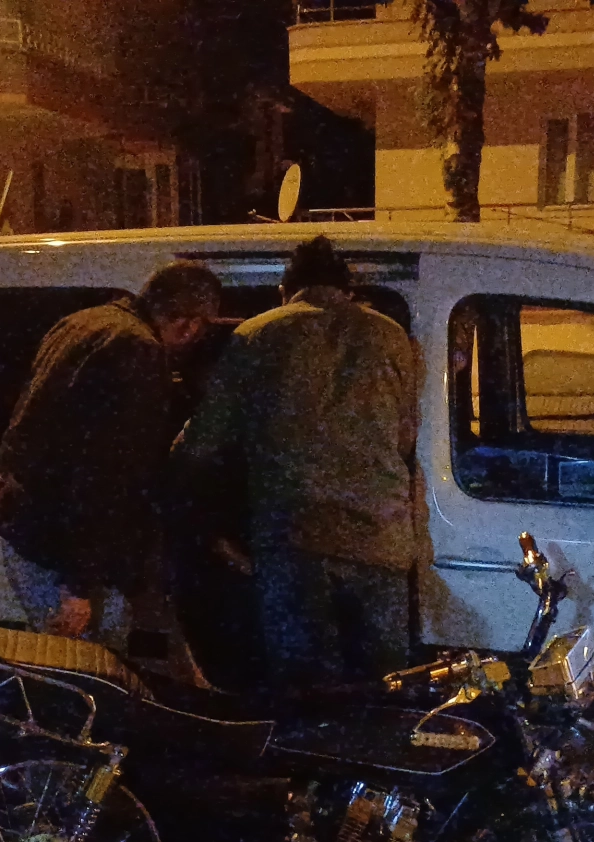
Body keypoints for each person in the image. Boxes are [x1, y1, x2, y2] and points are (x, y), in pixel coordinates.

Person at [173, 236, 417, 687]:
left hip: (297, 541)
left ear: (286, 289)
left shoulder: (257, 334)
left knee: (306, 687)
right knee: (383, 686)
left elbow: (204, 442)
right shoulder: (391, 335)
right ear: (346, 290)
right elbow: (405, 437)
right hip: (380, 540)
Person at [0, 260, 223, 653]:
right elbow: (105, 476)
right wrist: (79, 585)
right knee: (86, 672)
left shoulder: (83, 322)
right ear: (189, 325)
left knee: (58, 664)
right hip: (63, 553)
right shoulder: (138, 350)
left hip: (26, 527)